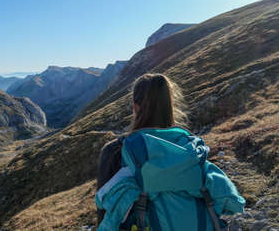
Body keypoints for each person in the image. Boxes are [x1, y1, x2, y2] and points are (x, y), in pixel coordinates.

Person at [96, 73, 244, 231]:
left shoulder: (116, 151)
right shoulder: (190, 150)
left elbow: (104, 213)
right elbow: (234, 203)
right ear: (170, 106)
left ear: (135, 107)